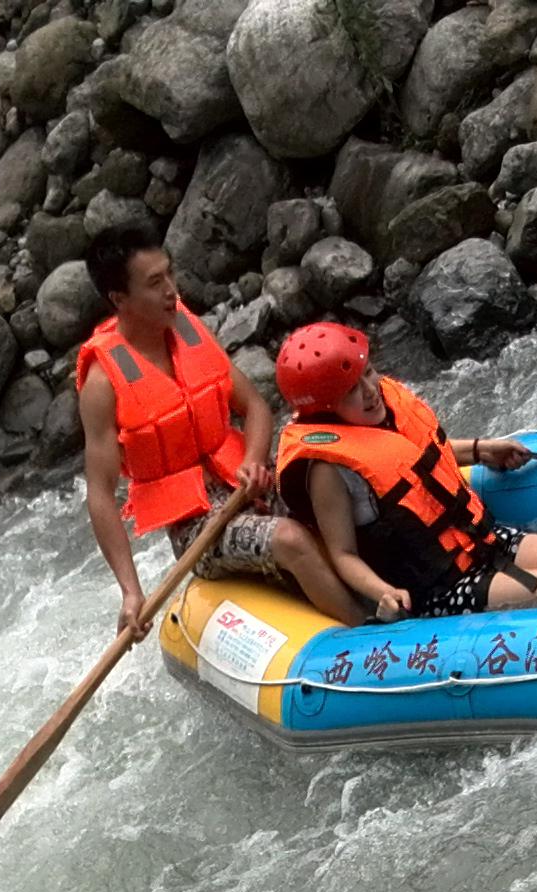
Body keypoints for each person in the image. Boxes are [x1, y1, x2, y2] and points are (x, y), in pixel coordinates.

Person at [76, 234, 350, 634]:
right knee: (290, 538)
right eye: (155, 283)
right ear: (120, 299)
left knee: (332, 478)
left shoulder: (188, 331)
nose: (172, 291)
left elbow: (255, 406)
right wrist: (131, 592)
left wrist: (255, 459)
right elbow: (100, 494)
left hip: (245, 482)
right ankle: (368, 630)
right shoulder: (102, 385)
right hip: (196, 527)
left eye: (170, 274)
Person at [272, 323, 537, 620]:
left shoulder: (386, 412)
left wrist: (480, 450)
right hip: (437, 588)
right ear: (324, 409)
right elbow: (343, 555)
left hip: (478, 542)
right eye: (352, 391)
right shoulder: (328, 470)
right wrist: (383, 593)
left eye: (369, 373)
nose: (371, 392)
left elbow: (419, 462)